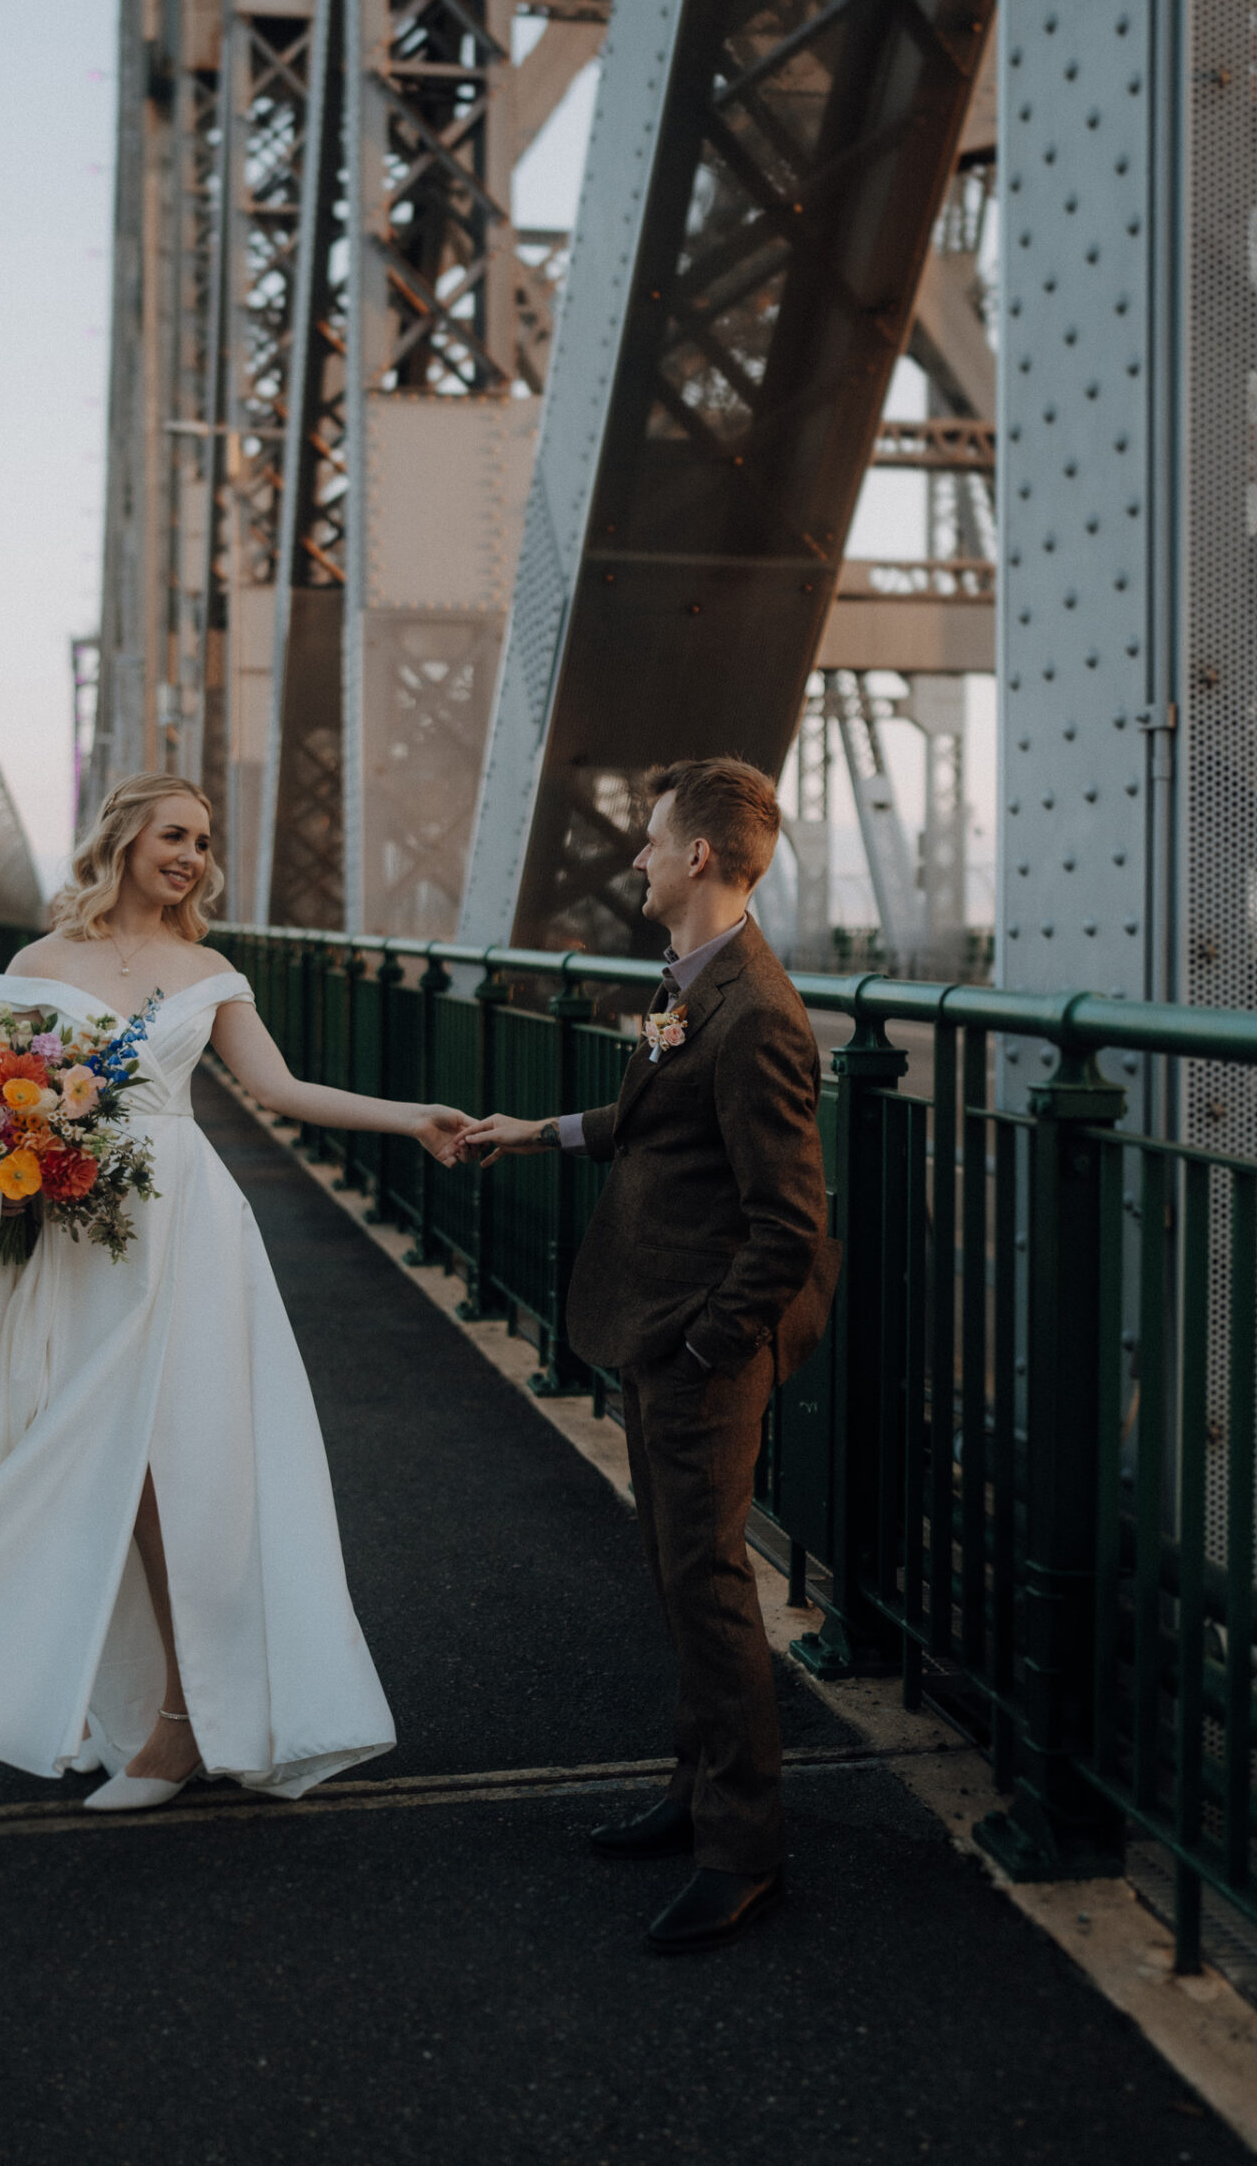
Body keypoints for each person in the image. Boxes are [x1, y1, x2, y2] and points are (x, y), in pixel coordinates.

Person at [0, 772, 474, 1811]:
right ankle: (80, 1693)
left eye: (205, 843)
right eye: (176, 835)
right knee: (63, 1453)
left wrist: (412, 1118)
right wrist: (19, 1131)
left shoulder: (207, 969)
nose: (192, 857)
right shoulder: (39, 963)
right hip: (71, 1237)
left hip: (186, 1236)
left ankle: (180, 1725)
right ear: (122, 838)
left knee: (174, 1471)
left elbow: (283, 1090)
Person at [461, 757, 838, 1951]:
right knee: (678, 1571)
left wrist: (707, 1348)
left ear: (697, 860)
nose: (630, 857)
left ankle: (743, 1848)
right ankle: (696, 1790)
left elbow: (791, 1226)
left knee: (711, 1585)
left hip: (697, 1343)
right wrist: (538, 1131)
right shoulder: (690, 981)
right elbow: (648, 1121)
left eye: (648, 839)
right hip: (660, 1320)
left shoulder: (759, 1015)